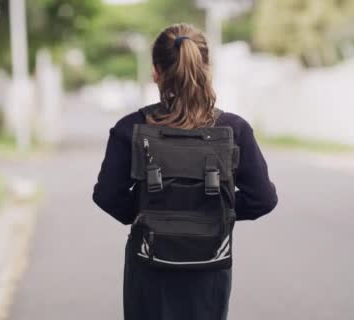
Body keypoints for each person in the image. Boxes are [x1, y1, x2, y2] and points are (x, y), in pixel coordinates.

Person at [93, 23, 278, 320]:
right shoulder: (234, 130)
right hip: (209, 265)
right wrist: (213, 211)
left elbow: (106, 195)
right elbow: (263, 199)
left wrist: (149, 213)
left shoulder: (131, 128)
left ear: (156, 72)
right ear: (206, 68)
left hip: (148, 262)